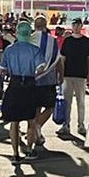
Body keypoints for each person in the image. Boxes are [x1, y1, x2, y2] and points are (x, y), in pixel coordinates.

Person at [1, 20, 46, 164]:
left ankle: (15, 154)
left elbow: (3, 70)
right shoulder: (35, 50)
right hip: (30, 85)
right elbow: (41, 68)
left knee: (14, 122)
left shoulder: (9, 50)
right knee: (31, 120)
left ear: (17, 33)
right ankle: (29, 150)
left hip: (14, 85)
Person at [28, 15, 63, 151]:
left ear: (34, 25)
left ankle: (35, 133)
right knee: (50, 107)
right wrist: (61, 75)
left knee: (35, 108)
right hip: (48, 80)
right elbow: (58, 60)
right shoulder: (52, 41)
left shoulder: (29, 39)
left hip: (31, 80)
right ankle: (38, 126)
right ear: (46, 25)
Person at [58, 20, 89, 138]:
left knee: (81, 102)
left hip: (81, 75)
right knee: (67, 102)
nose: (76, 27)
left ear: (81, 26)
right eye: (74, 25)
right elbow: (62, 58)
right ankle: (66, 124)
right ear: (72, 26)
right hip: (68, 75)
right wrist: (61, 74)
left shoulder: (86, 41)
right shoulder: (67, 41)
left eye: (78, 25)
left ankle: (81, 124)